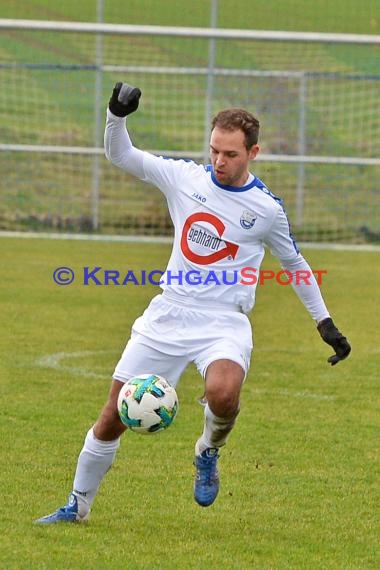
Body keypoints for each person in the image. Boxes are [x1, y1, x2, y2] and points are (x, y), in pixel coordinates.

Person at [35, 82, 351, 523]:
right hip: (169, 312)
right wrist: (116, 116)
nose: (219, 162)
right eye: (214, 151)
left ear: (253, 153)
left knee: (223, 395)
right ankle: (77, 505)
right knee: (112, 416)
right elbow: (122, 155)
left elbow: (295, 263)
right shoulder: (186, 178)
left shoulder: (266, 209)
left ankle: (208, 450)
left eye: (231, 154)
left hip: (223, 321)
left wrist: (325, 322)